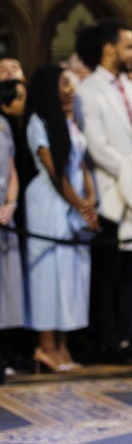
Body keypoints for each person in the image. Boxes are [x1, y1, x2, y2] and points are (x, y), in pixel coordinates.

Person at [75, 20, 132, 363]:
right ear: (109, 48)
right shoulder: (88, 91)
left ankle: (127, 337)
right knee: (109, 272)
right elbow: (97, 147)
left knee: (131, 269)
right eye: (128, 46)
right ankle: (108, 340)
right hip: (112, 191)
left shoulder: (130, 89)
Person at [24, 65, 98, 373]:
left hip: (74, 199)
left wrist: (90, 200)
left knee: (71, 276)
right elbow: (55, 172)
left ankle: (64, 346)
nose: (70, 88)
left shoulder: (70, 120)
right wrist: (82, 207)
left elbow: (80, 164)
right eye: (63, 83)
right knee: (50, 274)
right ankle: (46, 347)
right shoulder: (38, 122)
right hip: (50, 201)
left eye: (71, 83)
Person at [0, 78, 26, 336]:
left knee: (7, 286)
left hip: (5, 215)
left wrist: (10, 203)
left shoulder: (3, 125)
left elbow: (11, 169)